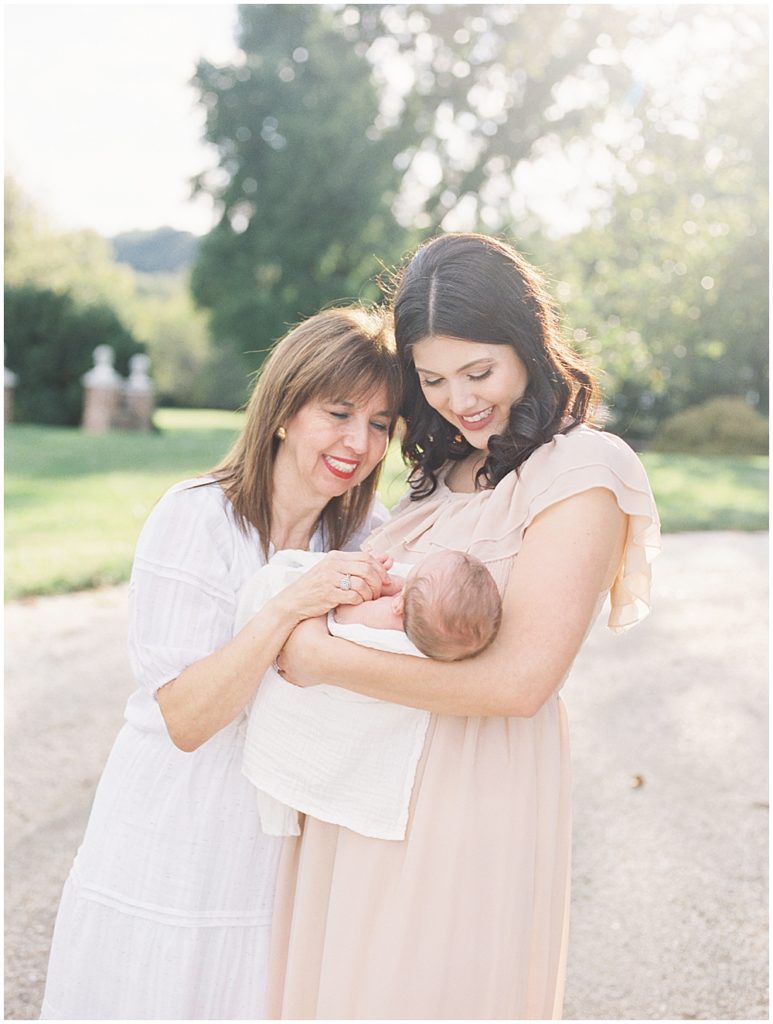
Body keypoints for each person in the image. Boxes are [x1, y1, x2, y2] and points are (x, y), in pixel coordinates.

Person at [267, 233, 661, 1020]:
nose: (458, 398)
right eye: (433, 379)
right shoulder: (440, 477)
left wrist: (313, 655)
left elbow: (518, 685)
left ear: (527, 344)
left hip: (470, 793)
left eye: (479, 371)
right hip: (363, 785)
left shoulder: (582, 472)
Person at [40, 307, 402, 1021]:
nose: (358, 443)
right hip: (171, 829)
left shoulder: (370, 534)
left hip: (282, 849)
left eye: (382, 424)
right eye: (337, 413)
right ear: (282, 410)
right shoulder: (195, 518)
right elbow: (185, 717)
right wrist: (282, 608)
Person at [237, 548, 502, 841]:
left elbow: (342, 613)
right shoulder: (433, 630)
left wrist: (374, 584)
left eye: (410, 578)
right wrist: (399, 588)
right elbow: (422, 601)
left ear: (399, 606)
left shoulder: (387, 618)